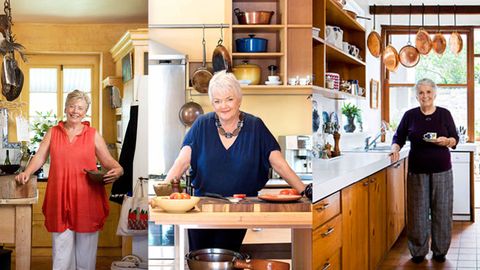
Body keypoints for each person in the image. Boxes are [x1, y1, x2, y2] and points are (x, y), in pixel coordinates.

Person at [165, 70, 310, 252]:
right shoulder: (202, 124)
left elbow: (278, 164)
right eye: (217, 101)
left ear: (239, 99)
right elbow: (181, 163)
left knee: (228, 257)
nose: (223, 106)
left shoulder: (255, 126)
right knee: (200, 259)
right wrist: (162, 192)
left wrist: (305, 190)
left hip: (239, 209)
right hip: (203, 208)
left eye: (229, 99)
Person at [15, 90, 124, 270]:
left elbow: (108, 162)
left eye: (80, 108)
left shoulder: (93, 134)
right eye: (72, 106)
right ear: (65, 107)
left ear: (85, 111)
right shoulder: (53, 132)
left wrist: (119, 169)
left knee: (85, 257)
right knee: (61, 254)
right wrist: (27, 172)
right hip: (60, 197)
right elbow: (40, 156)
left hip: (87, 199)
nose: (75, 111)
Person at [390, 78, 458, 264]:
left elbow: (455, 138)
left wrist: (447, 141)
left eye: (428, 92)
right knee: (417, 211)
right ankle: (418, 252)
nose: (425, 96)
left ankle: (440, 250)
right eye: (421, 92)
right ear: (417, 96)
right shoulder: (410, 115)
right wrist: (395, 148)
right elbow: (399, 136)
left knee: (442, 210)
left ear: (434, 94)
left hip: (442, 171)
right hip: (417, 171)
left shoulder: (444, 114)